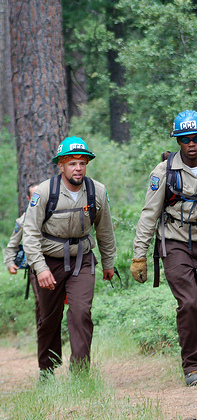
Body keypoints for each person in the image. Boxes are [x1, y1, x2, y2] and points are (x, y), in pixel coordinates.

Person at [130, 110, 197, 387]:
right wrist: (139, 255)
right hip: (174, 242)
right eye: (184, 139)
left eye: (195, 137)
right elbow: (149, 213)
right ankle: (192, 366)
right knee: (190, 303)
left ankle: (189, 339)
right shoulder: (163, 172)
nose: (191, 143)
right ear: (178, 141)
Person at [23, 136, 116, 379]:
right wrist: (40, 268)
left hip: (82, 260)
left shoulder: (97, 191)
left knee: (81, 312)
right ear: (61, 166)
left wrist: (108, 263)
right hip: (49, 261)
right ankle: (48, 369)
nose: (78, 168)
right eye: (72, 163)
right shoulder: (44, 192)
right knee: (49, 319)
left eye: (82, 163)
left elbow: (105, 230)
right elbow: (30, 232)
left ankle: (80, 373)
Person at [4, 182, 40, 318]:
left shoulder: (54, 214)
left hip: (56, 263)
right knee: (41, 302)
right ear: (29, 199)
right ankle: (43, 335)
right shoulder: (23, 220)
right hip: (34, 267)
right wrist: (9, 263)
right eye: (35, 196)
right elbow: (12, 244)